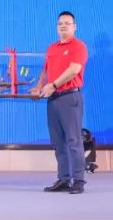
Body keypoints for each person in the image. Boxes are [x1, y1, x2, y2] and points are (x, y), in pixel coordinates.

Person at [33, 11, 89, 194]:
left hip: (69, 97)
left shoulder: (78, 46)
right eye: (60, 23)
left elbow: (74, 70)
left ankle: (78, 180)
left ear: (74, 26)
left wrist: (53, 85)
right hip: (53, 98)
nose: (63, 26)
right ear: (57, 27)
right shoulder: (52, 48)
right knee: (58, 141)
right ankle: (64, 179)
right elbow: (45, 71)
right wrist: (38, 87)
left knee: (73, 140)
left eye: (67, 23)